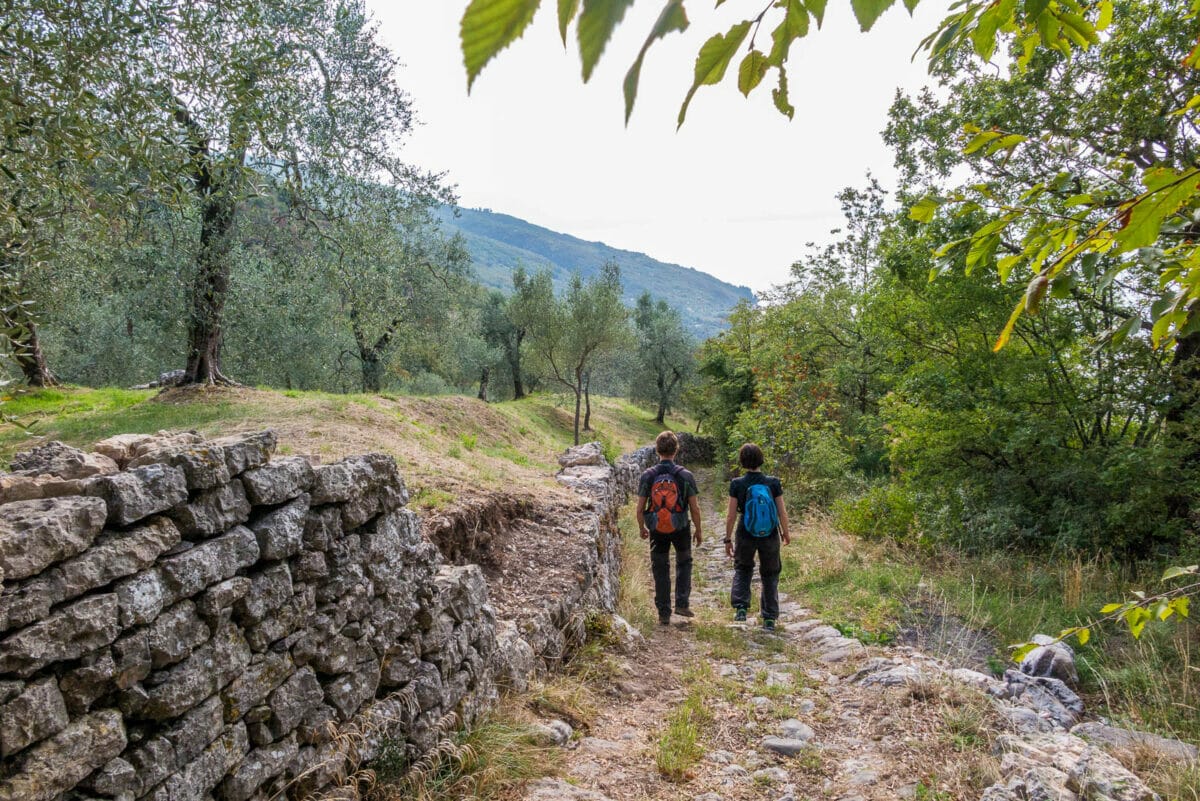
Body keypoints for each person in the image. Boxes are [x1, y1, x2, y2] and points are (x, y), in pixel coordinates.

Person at [638, 431, 703, 625]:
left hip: (657, 527)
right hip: (681, 526)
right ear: (676, 450)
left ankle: (664, 612)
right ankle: (682, 604)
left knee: (660, 567)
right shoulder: (685, 475)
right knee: (684, 562)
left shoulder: (648, 475)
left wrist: (642, 527)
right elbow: (695, 507)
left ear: (657, 450)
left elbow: (640, 508)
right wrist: (698, 530)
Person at [725, 442, 790, 630]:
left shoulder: (737, 484)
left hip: (745, 532)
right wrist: (785, 532)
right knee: (770, 573)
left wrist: (728, 539)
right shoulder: (773, 482)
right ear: (761, 459)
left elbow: (730, 515)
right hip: (770, 534)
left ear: (742, 461)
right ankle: (769, 617)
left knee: (743, 568)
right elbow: (782, 512)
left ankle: (741, 609)